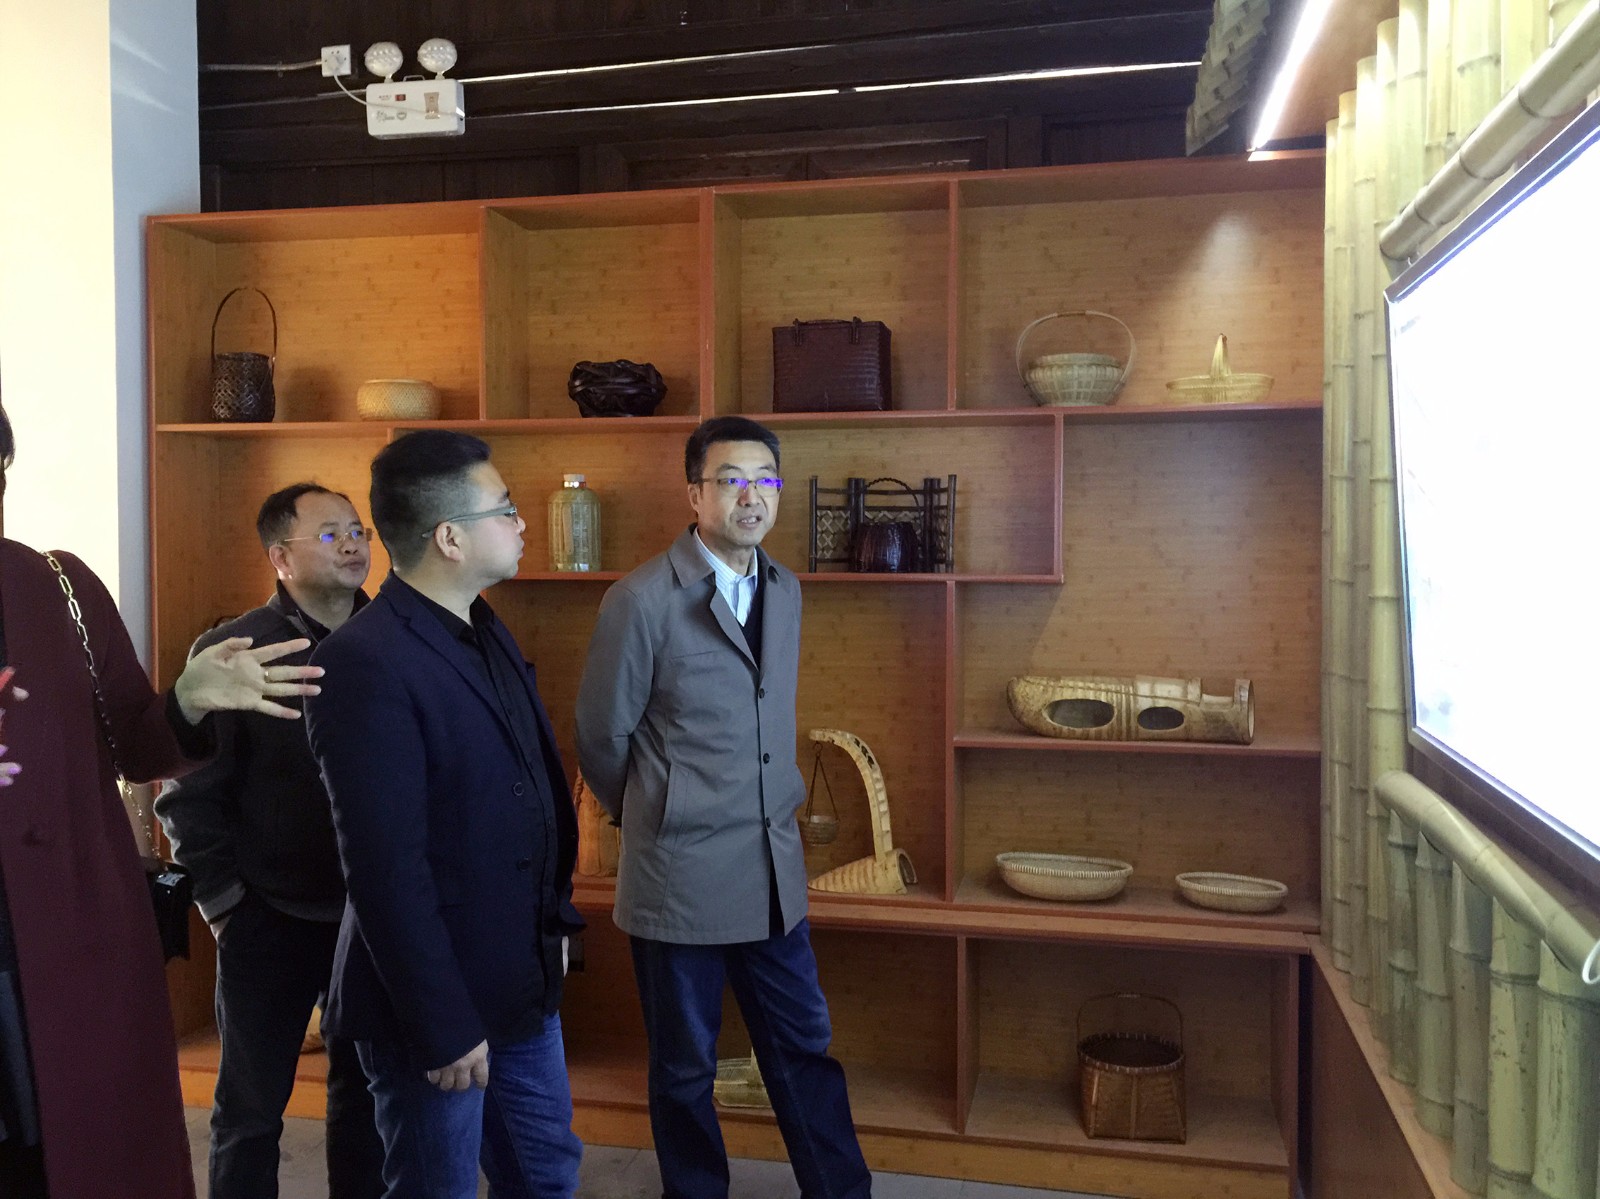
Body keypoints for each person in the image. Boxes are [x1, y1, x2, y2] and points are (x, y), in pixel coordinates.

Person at [0, 387, 325, 1199]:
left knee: (62, 1140)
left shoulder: (58, 586)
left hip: (58, 931)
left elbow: (138, 744)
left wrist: (188, 699)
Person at [575, 415, 872, 1199]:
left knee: (804, 1048)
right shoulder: (641, 599)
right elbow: (601, 736)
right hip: (680, 876)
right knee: (683, 1069)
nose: (752, 496)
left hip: (773, 870)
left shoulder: (785, 588)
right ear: (694, 493)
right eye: (732, 479)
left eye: (765, 480)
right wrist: (655, 811)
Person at [304, 429, 584, 1199]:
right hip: (433, 1006)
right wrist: (442, 1021)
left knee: (547, 1175)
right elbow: (385, 867)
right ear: (450, 537)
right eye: (505, 508)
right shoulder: (363, 660)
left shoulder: (483, 625)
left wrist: (552, 927)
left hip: (519, 982)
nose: (522, 523)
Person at [154, 482, 384, 1199]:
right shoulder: (235, 648)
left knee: (366, 1105)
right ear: (281, 556)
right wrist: (226, 906)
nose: (353, 544)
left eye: (359, 530)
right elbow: (188, 793)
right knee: (250, 1112)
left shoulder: (393, 638)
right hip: (268, 916)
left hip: (372, 918)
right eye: (331, 534)